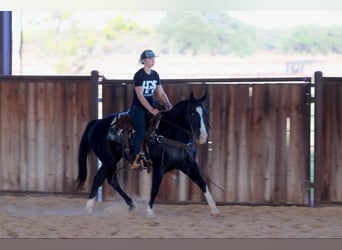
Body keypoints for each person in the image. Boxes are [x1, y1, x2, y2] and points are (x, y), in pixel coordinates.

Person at [128, 49, 172, 170]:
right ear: (144, 61)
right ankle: (134, 156)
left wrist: (167, 103)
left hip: (151, 106)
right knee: (141, 130)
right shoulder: (139, 75)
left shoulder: (155, 74)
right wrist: (151, 110)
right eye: (150, 59)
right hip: (139, 108)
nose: (153, 61)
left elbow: (160, 92)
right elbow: (140, 95)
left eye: (154, 59)